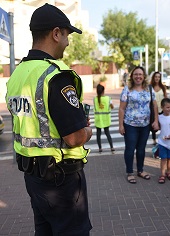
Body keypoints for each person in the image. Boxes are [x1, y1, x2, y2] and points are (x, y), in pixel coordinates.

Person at [5, 3, 92, 235]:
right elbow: (74, 137)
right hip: (61, 181)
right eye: (66, 35)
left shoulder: (18, 74)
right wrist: (88, 130)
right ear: (55, 33)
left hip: (34, 178)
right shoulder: (56, 76)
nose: (68, 41)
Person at [119, 66, 159, 184]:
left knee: (141, 150)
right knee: (130, 149)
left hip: (145, 125)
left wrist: (156, 120)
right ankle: (130, 172)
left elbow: (155, 106)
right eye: (136, 74)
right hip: (130, 124)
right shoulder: (127, 90)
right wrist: (121, 125)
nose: (138, 77)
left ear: (144, 76)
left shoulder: (149, 89)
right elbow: (121, 109)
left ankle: (140, 170)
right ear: (132, 76)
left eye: (140, 74)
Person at [93, 84, 115, 154]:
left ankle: (100, 148)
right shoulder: (108, 98)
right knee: (107, 133)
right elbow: (112, 107)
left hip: (98, 119)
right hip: (106, 118)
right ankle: (111, 147)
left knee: (98, 134)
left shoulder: (95, 99)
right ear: (103, 91)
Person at [150, 71, 167, 145]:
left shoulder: (163, 87)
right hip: (153, 109)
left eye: (158, 77)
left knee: (162, 124)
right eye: (156, 77)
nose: (157, 78)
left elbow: (166, 98)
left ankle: (163, 138)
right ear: (153, 78)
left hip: (161, 109)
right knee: (153, 124)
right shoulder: (150, 87)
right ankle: (154, 140)